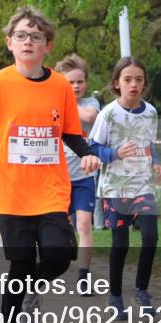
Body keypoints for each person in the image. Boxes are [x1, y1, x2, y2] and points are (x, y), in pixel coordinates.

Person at [0, 7, 101, 323]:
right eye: (23, 36)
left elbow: (71, 133)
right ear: (10, 43)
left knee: (61, 255)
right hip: (11, 191)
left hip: (50, 189)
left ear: (48, 46)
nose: (29, 41)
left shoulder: (60, 85)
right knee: (21, 264)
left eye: (37, 37)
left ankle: (29, 289)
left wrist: (88, 155)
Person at [88, 56, 161, 318]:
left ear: (145, 84)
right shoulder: (108, 113)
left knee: (151, 237)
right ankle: (115, 297)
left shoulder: (151, 112)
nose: (134, 84)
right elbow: (93, 146)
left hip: (143, 186)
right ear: (116, 84)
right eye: (127, 79)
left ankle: (141, 293)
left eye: (138, 79)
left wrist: (155, 163)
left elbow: (149, 143)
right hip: (115, 188)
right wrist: (115, 153)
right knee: (120, 244)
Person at [54, 54, 101, 294]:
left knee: (84, 224)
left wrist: (64, 102)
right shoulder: (52, 103)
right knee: (61, 229)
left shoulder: (91, 104)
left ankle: (84, 278)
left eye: (79, 82)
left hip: (83, 177)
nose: (76, 86)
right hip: (57, 178)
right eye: (70, 83)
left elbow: (90, 118)